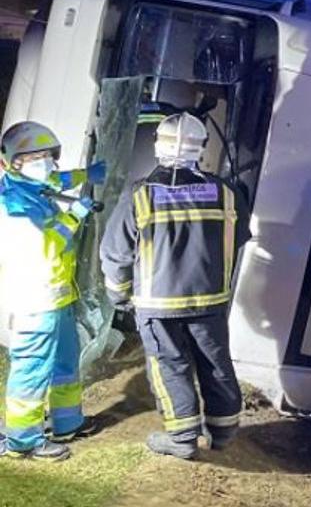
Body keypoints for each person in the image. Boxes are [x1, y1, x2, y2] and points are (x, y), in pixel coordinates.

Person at [101, 113, 245, 460]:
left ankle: (181, 438)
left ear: (158, 147)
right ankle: (223, 430)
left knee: (170, 364)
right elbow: (237, 239)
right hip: (210, 300)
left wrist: (119, 294)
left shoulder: (140, 195)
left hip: (158, 302)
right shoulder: (226, 192)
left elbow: (116, 253)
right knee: (215, 362)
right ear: (201, 148)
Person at [1, 121, 104, 461]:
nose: (42, 162)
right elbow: (47, 246)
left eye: (47, 155)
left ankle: (67, 422)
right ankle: (22, 440)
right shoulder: (13, 206)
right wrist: (76, 214)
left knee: (64, 363)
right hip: (33, 300)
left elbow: (58, 180)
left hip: (58, 297)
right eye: (33, 156)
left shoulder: (31, 183)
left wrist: (89, 173)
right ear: (10, 162)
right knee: (31, 370)